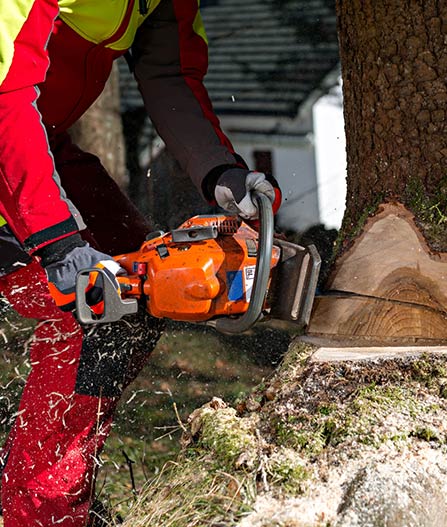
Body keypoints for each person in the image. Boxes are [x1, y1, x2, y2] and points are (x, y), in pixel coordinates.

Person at [0, 1, 281, 525]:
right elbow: (5, 92)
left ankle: (54, 486)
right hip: (6, 130)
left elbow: (170, 74)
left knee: (135, 285)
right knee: (90, 310)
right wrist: (57, 241)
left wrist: (220, 171)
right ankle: (37, 512)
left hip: (41, 140)